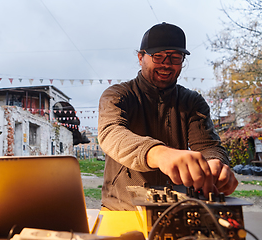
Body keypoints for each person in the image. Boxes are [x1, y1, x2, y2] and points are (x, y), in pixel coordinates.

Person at [97, 22, 238, 211]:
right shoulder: (117, 95)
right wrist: (159, 153)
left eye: (175, 58)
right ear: (141, 57)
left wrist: (215, 165)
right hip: (121, 208)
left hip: (174, 209)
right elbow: (111, 133)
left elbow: (209, 146)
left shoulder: (192, 101)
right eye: (158, 56)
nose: (166, 64)